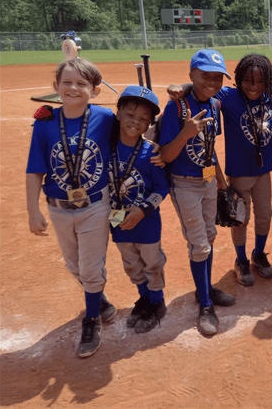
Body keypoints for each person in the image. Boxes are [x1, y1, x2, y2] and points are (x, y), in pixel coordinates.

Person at [26, 57, 118, 358]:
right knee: (74, 266)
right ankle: (98, 299)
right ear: (56, 87)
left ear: (95, 89)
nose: (73, 88)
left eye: (81, 83)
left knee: (91, 268)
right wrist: (33, 210)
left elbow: (136, 129)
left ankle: (91, 320)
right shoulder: (45, 124)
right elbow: (35, 170)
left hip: (95, 205)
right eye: (67, 82)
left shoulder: (105, 118)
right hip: (58, 207)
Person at [158, 49, 237, 336]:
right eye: (205, 76)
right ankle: (204, 304)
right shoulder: (176, 108)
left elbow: (209, 149)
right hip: (183, 184)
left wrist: (222, 184)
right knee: (199, 245)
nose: (212, 82)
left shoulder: (214, 105)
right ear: (191, 74)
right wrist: (185, 133)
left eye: (217, 78)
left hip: (206, 182)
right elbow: (166, 155)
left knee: (211, 237)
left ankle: (207, 289)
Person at [108, 86, 169, 334]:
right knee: (131, 263)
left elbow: (162, 187)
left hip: (147, 220)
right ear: (119, 113)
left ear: (149, 125)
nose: (136, 121)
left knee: (151, 263)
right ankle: (144, 299)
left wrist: (143, 209)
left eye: (143, 119)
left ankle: (157, 303)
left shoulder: (151, 152)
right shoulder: (105, 148)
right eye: (130, 114)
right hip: (116, 217)